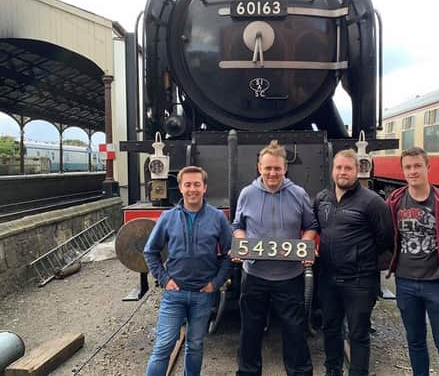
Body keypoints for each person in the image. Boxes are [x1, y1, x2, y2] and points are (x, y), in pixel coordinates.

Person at [233, 140, 318, 376]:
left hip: (290, 276)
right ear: (259, 167)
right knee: (250, 330)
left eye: (277, 169)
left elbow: (310, 226)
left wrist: (305, 244)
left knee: (294, 330)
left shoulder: (298, 194)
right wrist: (241, 243)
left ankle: (300, 372)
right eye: (268, 168)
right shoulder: (247, 194)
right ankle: (248, 372)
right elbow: (238, 225)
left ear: (285, 169)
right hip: (255, 275)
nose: (273, 173)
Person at [386, 147, 439, 376]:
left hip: (437, 284)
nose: (413, 171)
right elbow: (387, 235)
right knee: (415, 341)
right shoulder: (394, 202)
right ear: (403, 170)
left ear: (428, 168)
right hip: (405, 284)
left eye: (417, 166)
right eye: (408, 167)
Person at [144, 166, 233, 376]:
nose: (192, 189)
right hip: (174, 293)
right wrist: (164, 280)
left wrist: (217, 282)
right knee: (164, 345)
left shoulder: (218, 218)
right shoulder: (167, 218)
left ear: (205, 188)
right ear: (181, 188)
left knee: (195, 345)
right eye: (188, 185)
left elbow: (230, 253)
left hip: (203, 294)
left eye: (197, 184)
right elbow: (150, 251)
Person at [313, 149, 394, 376]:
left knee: (358, 333)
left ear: (357, 171)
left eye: (348, 168)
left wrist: (360, 257)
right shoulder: (322, 199)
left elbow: (386, 238)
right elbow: (318, 231)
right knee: (330, 329)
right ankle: (333, 371)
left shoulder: (373, 202)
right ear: (332, 171)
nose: (343, 172)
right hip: (328, 279)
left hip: (359, 281)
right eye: (339, 168)